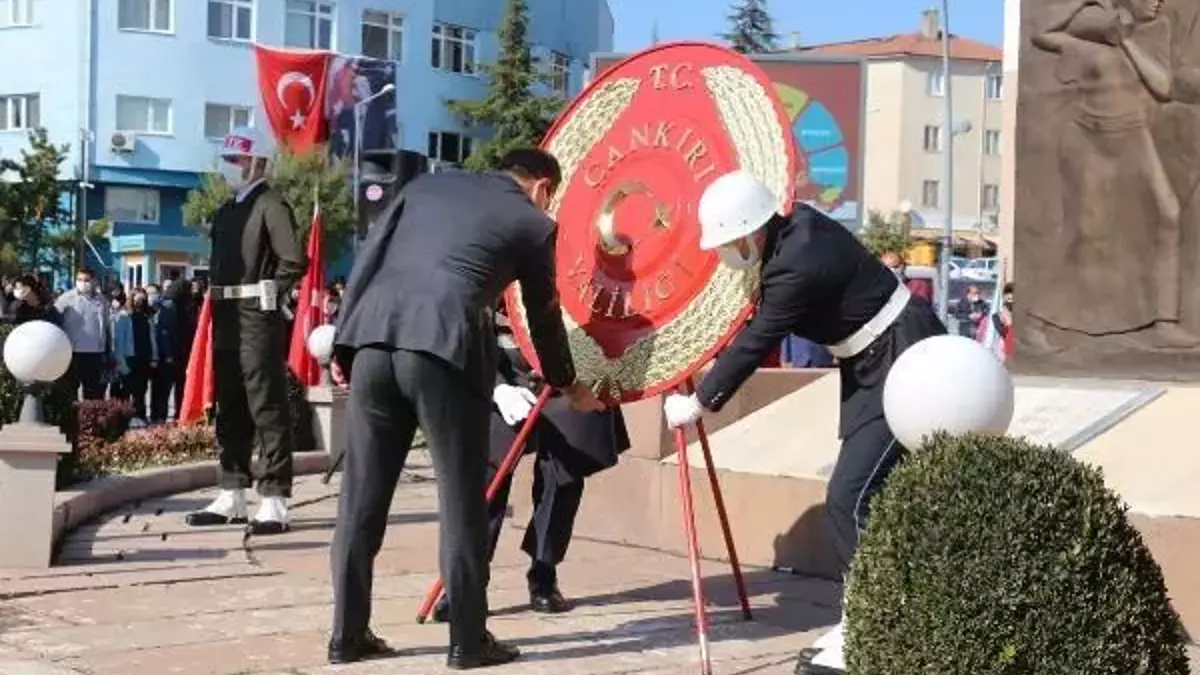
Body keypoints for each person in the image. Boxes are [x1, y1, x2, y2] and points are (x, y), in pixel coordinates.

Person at [327, 147, 604, 669]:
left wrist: (345, 345)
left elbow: (369, 259)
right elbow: (544, 318)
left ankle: (347, 634)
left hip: (372, 344)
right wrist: (568, 383)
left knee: (360, 500)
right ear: (543, 187)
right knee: (462, 501)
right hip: (443, 353)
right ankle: (468, 642)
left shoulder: (426, 187)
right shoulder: (532, 222)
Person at [660, 171, 947, 675]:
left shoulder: (796, 263)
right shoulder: (793, 233)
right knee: (873, 496)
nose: (724, 254)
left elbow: (758, 337)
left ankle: (880, 622)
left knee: (850, 498)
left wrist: (701, 401)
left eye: (728, 244)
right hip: (872, 360)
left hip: (901, 357)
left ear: (750, 232)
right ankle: (877, 610)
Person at [429, 306, 630, 623]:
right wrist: (496, 386)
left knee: (563, 476)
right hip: (498, 374)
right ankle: (464, 583)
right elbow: (462, 320)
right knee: (483, 479)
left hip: (568, 374)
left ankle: (544, 573)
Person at [185, 127, 307, 535]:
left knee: (265, 404)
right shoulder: (225, 211)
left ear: (259, 163)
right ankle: (232, 491)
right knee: (230, 404)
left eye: (238, 160)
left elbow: (293, 260)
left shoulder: (271, 204)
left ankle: (273, 497)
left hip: (255, 316)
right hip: (225, 315)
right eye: (228, 160)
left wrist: (271, 295)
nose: (231, 167)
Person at [55, 268, 111, 400]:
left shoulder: (102, 301)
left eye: (86, 280)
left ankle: (90, 419)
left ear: (94, 281)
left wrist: (107, 349)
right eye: (79, 280)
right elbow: (55, 320)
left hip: (95, 353)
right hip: (73, 352)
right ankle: (70, 419)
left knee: (94, 391)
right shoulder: (66, 298)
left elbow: (106, 325)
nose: (83, 283)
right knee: (70, 390)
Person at [112, 289, 158, 423]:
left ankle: (141, 416)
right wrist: (121, 362)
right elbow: (119, 341)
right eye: (138, 300)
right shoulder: (123, 317)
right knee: (126, 391)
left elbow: (152, 338)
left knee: (141, 391)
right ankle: (123, 419)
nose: (140, 303)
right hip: (129, 358)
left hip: (144, 357)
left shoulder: (147, 317)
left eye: (143, 300)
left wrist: (154, 357)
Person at [146, 283, 178, 423]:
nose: (150, 296)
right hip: (149, 356)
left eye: (153, 293)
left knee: (162, 388)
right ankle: (153, 414)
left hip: (164, 355)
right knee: (152, 388)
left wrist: (169, 353)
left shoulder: (167, 308)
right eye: (148, 293)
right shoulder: (146, 310)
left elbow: (168, 333)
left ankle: (161, 416)